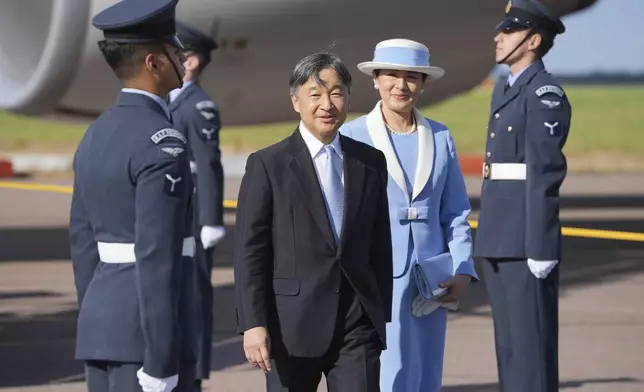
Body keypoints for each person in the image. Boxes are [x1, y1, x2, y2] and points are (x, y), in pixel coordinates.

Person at [233, 52, 393, 392]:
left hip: (357, 325)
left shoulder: (370, 163)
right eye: (315, 94)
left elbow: (380, 242)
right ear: (295, 101)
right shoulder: (267, 165)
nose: (327, 104)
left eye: (336, 93)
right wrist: (253, 323)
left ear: (348, 97)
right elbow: (250, 252)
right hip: (289, 326)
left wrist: (380, 313)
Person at [69, 1, 198, 391]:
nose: (184, 59)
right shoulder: (162, 142)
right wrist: (161, 358)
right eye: (176, 52)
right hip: (146, 342)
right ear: (153, 63)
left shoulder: (96, 134)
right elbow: (157, 253)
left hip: (103, 328)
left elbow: (82, 241)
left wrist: (100, 316)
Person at [340, 38, 478, 392]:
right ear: (375, 79)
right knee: (384, 373)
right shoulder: (352, 135)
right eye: (391, 75)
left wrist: (462, 267)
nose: (401, 85)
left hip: (430, 279)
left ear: (423, 83)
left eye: (412, 76)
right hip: (374, 279)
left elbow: (456, 211)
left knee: (425, 373)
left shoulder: (440, 135)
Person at [473, 0, 572, 391]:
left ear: (533, 40)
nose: (498, 37)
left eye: (509, 31)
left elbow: (544, 174)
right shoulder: (506, 89)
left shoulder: (543, 93)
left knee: (531, 350)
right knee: (510, 346)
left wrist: (542, 245)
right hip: (499, 234)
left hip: (525, 241)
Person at [169, 20, 223, 391]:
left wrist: (210, 219)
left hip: (193, 214)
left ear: (190, 61)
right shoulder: (171, 100)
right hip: (173, 208)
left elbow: (207, 163)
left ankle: (197, 371)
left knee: (195, 294)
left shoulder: (199, 106)